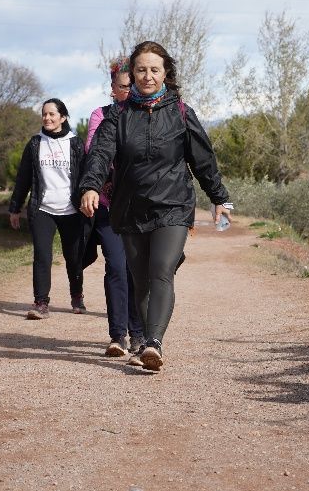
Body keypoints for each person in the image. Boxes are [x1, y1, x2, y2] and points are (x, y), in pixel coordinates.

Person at [79, 41, 231, 371]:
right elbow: (100, 155)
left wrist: (220, 198)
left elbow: (204, 161)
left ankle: (154, 343)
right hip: (130, 208)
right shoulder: (117, 116)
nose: (147, 76)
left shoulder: (180, 113)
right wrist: (90, 186)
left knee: (161, 268)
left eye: (154, 69)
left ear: (166, 73)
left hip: (173, 205)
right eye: (141, 69)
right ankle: (147, 342)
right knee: (141, 279)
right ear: (131, 74)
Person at [84, 58, 145, 357]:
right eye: (123, 87)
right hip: (109, 206)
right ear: (112, 89)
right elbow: (95, 152)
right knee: (117, 266)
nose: (129, 92)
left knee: (139, 270)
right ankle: (118, 335)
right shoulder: (101, 115)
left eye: (132, 86)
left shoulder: (149, 115)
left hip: (142, 208)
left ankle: (139, 334)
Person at [8, 98, 88, 319]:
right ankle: (41, 302)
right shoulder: (35, 143)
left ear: (63, 117)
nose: (47, 118)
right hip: (42, 208)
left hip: (71, 209)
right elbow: (23, 177)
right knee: (42, 255)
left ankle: (77, 294)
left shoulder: (76, 143)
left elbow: (85, 177)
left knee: (73, 257)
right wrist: (15, 208)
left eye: (52, 114)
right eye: (44, 114)